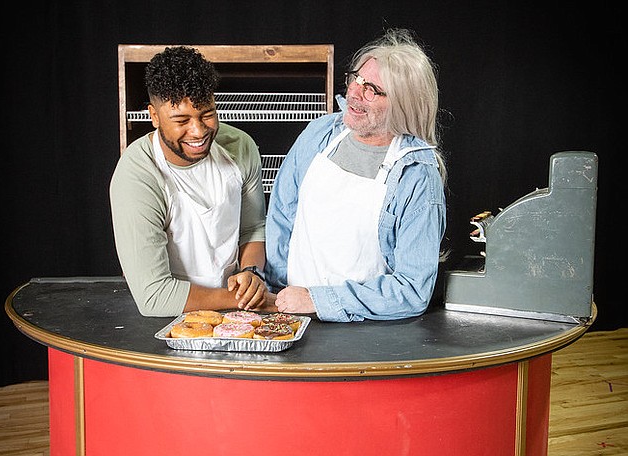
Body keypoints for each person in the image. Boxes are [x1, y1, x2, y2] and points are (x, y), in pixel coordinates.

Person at [263, 28, 448, 322]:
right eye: (356, 79)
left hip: (364, 332)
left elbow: (412, 291)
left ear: (403, 104)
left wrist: (317, 299)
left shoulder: (416, 176)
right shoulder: (321, 134)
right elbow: (282, 219)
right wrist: (274, 290)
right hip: (291, 314)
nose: (353, 92)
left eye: (371, 89)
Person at [110, 46, 276, 316]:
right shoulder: (138, 175)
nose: (198, 131)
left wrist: (251, 274)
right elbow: (155, 296)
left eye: (207, 114)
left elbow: (253, 229)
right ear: (154, 116)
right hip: (172, 317)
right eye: (181, 119)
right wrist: (248, 300)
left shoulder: (240, 148)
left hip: (236, 311)